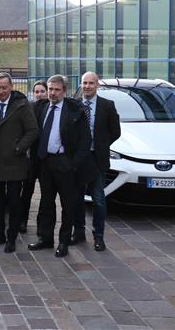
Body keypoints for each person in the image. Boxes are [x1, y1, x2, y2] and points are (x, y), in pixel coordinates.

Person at [29, 74, 91, 258]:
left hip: (65, 163)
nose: (52, 93)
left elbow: (85, 140)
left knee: (67, 205)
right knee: (46, 203)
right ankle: (45, 238)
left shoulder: (75, 111)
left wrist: (73, 164)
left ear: (64, 91)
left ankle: (63, 241)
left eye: (56, 90)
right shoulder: (40, 107)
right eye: (50, 89)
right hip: (45, 162)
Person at [0, 73, 39, 253]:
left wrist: (18, 148)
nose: (0, 91)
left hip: (15, 163)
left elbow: (32, 131)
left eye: (4, 87)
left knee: (14, 203)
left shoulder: (22, 106)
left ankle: (11, 237)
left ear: (11, 87)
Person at [72, 71, 120, 251]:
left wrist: (101, 145)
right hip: (78, 160)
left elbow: (116, 131)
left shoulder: (107, 106)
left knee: (99, 199)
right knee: (76, 199)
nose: (87, 86)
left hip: (97, 159)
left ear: (97, 85)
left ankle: (98, 236)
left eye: (91, 83)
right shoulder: (74, 105)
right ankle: (78, 232)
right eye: (84, 83)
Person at [19, 80, 48, 234]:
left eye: (42, 91)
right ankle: (22, 221)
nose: (39, 94)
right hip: (30, 157)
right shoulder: (28, 107)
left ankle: (41, 224)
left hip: (43, 158)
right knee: (27, 191)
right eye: (36, 92)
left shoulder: (50, 107)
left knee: (46, 193)